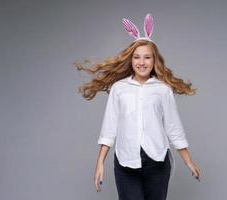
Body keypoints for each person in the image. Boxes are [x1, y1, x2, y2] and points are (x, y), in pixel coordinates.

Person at [75, 13, 201, 200]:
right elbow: (109, 129)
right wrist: (99, 163)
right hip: (126, 163)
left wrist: (189, 161)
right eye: (137, 57)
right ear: (131, 60)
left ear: (154, 60)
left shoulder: (162, 90)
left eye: (147, 57)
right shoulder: (119, 89)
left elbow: (173, 127)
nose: (142, 62)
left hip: (157, 163)